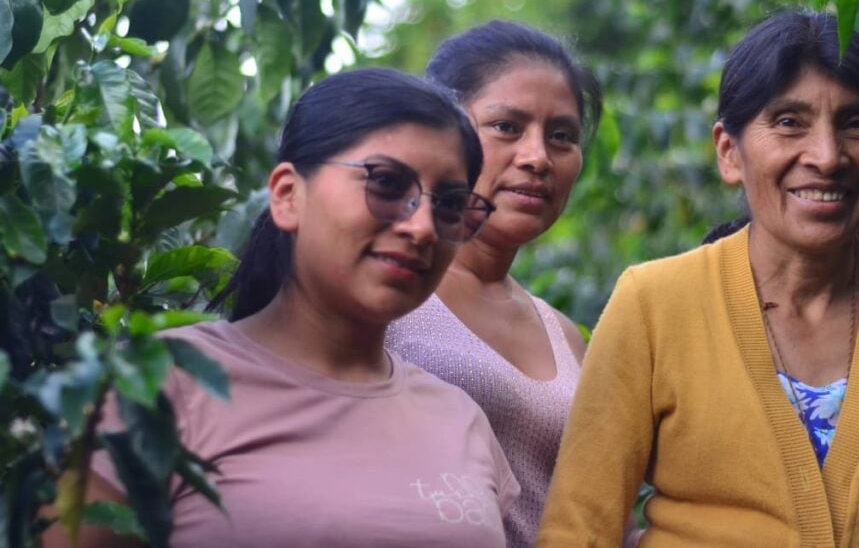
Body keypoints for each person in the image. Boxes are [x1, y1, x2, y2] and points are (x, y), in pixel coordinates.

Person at [536, 11, 859, 546]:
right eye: (789, 122)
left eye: (856, 123)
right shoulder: (652, 304)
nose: (827, 156)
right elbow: (579, 529)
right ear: (729, 152)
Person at [45, 69, 519, 548]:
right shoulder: (157, 383)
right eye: (387, 183)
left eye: (451, 205)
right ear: (288, 196)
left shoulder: (461, 419)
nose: (421, 228)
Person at [386, 20, 622, 548]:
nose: (537, 157)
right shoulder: (385, 296)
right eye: (507, 127)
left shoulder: (566, 337)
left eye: (562, 136)